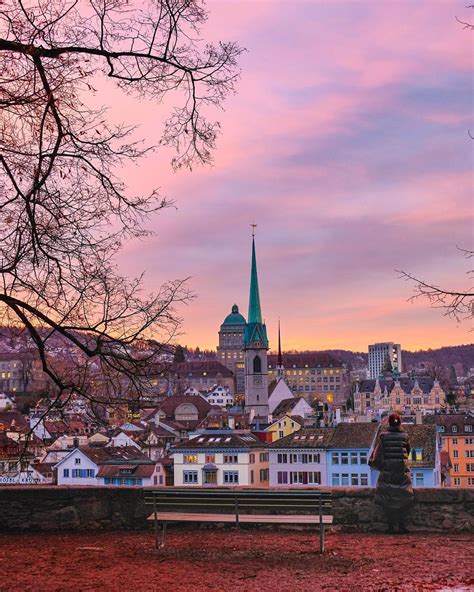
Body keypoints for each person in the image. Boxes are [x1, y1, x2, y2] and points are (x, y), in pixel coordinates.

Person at [370, 412, 414, 534]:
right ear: (400, 423)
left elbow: (378, 454)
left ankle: (390, 526)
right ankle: (401, 525)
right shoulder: (405, 436)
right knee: (403, 497)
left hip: (387, 472)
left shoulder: (383, 437)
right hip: (401, 472)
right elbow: (408, 452)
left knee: (387, 498)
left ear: (389, 423)